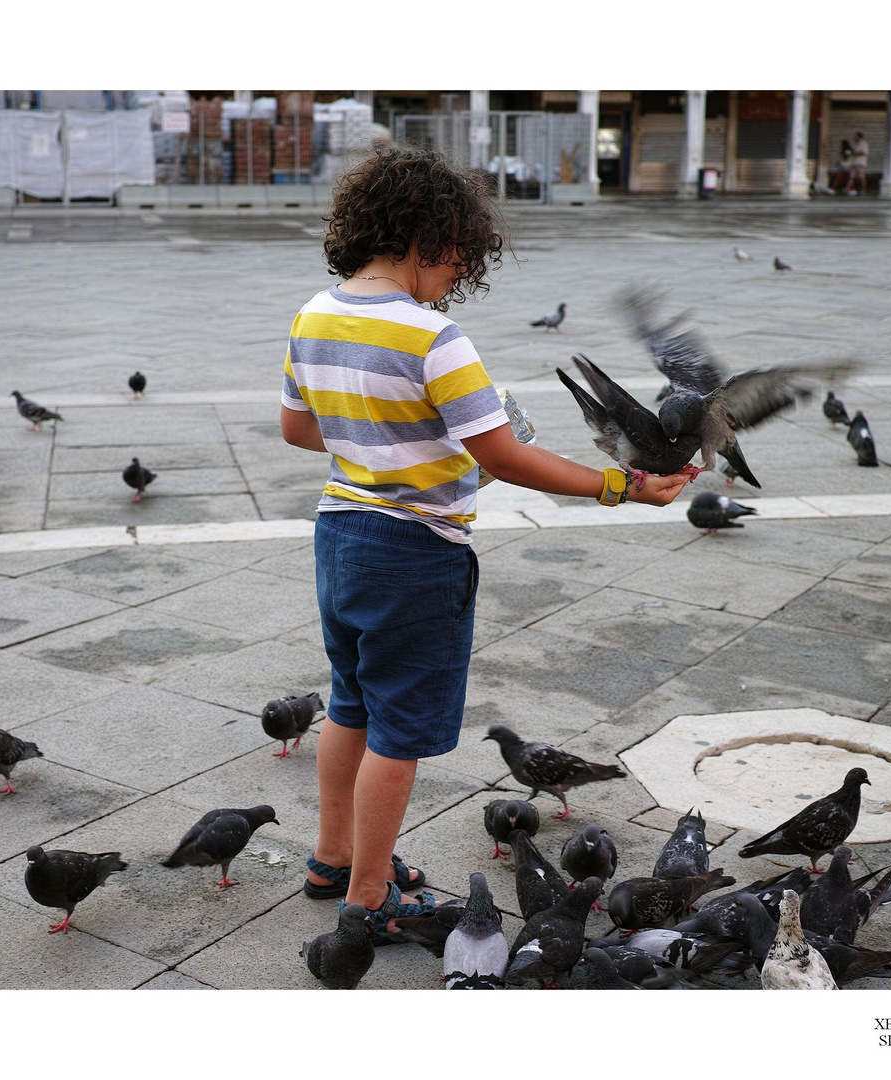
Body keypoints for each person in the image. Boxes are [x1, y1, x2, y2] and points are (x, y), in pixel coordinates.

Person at [280, 145, 690, 940]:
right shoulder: (437, 340)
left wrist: (384, 438)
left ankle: (330, 859)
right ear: (430, 239)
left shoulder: (312, 314)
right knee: (399, 730)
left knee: (349, 703)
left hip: (339, 538)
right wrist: (619, 485)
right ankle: (369, 894)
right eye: (458, 260)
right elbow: (503, 456)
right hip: (415, 553)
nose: (456, 276)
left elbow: (300, 432)